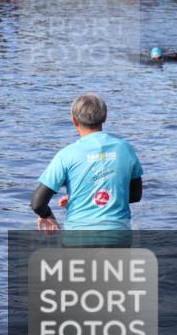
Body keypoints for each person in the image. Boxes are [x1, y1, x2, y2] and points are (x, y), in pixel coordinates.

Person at [30, 94, 143, 232]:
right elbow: (135, 196)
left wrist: (48, 215)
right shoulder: (125, 149)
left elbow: (37, 204)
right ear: (105, 117)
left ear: (74, 120)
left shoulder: (66, 154)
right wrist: (82, 197)